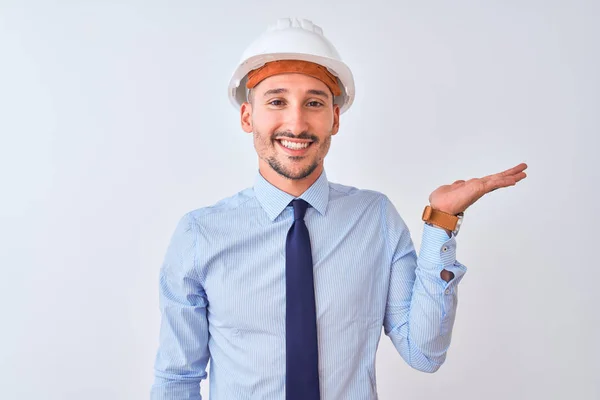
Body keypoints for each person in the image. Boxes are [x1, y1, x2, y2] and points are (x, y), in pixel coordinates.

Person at [150, 18, 527, 400]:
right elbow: (177, 380)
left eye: (314, 103)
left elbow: (424, 352)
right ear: (248, 116)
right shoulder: (200, 234)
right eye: (277, 101)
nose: (296, 123)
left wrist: (441, 225)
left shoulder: (375, 218)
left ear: (335, 118)